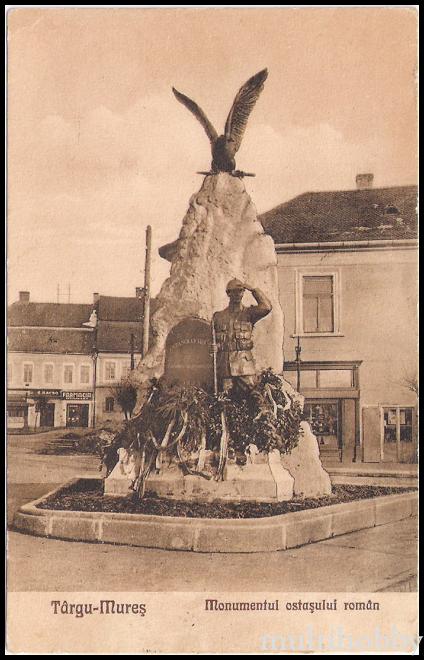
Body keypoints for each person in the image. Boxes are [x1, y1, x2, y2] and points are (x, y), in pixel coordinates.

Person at [212, 278, 272, 393]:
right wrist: (215, 347)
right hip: (225, 365)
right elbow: (212, 340)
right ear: (228, 293)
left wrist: (253, 290)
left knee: (251, 395)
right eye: (234, 291)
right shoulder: (218, 317)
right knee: (225, 398)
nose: (238, 294)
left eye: (240, 291)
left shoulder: (249, 313)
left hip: (245, 364)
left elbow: (267, 307)